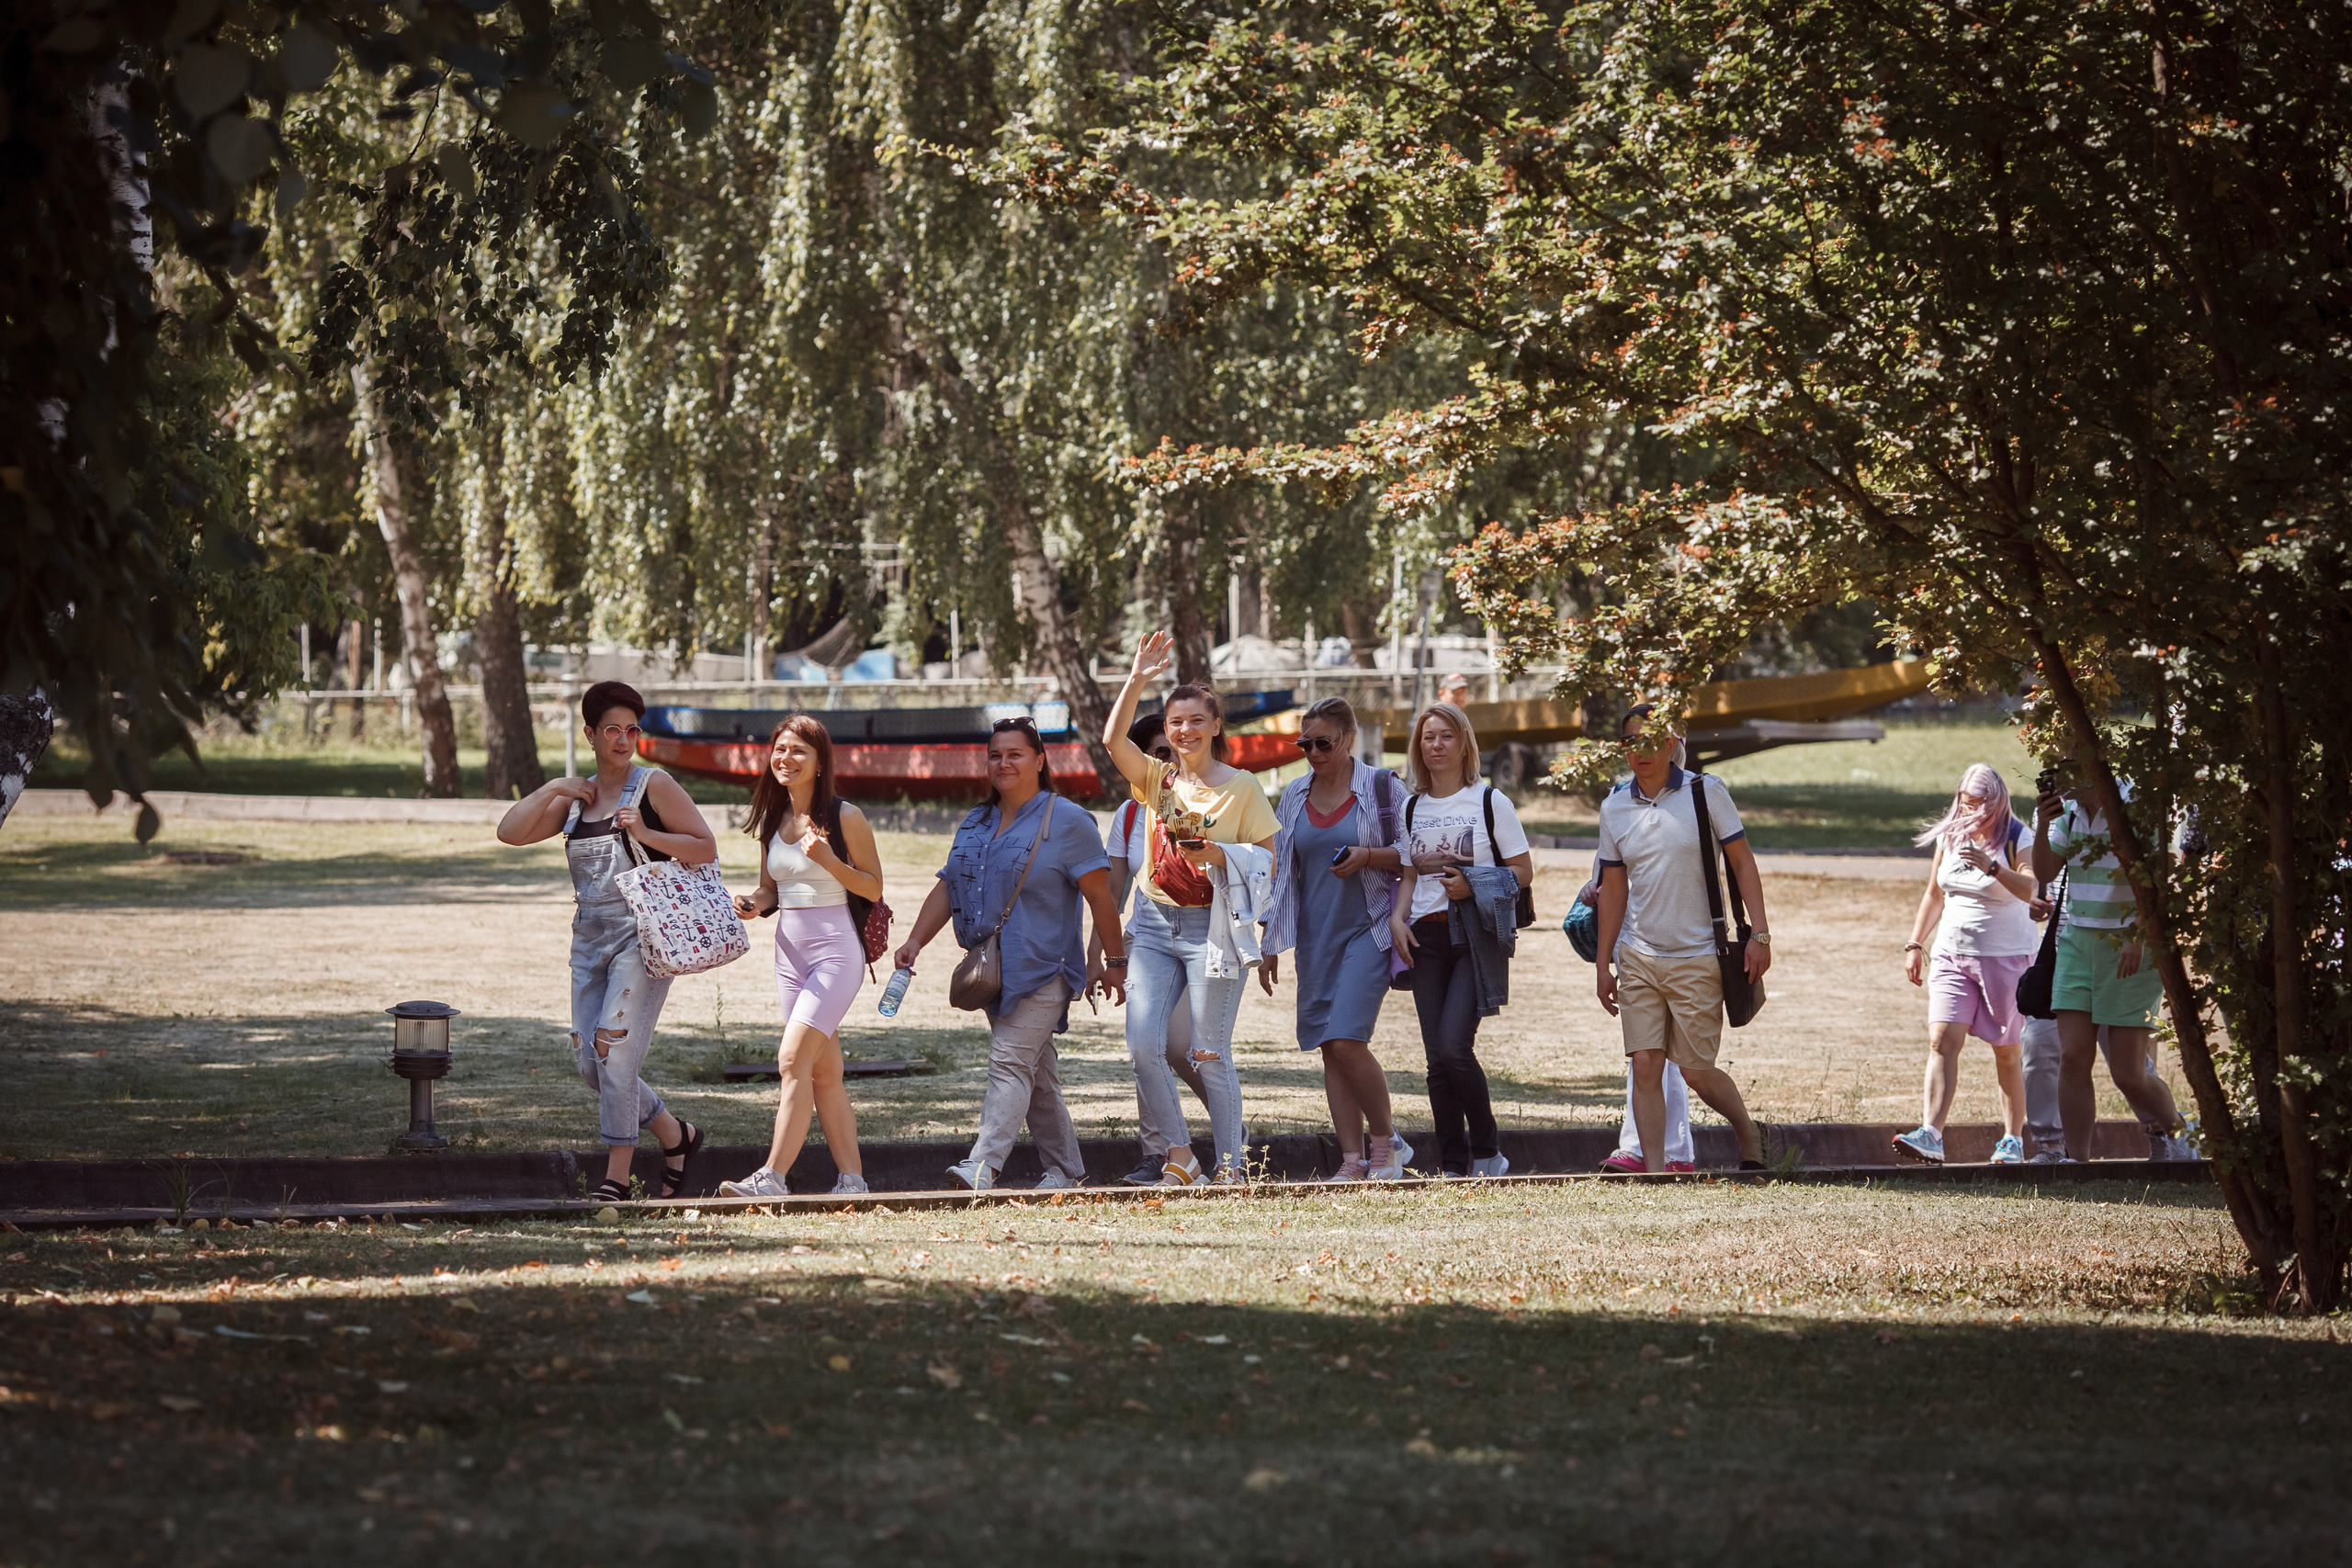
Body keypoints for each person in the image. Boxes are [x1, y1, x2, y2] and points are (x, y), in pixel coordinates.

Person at [495, 681, 714, 1204]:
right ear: (590, 734)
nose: (622, 739)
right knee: (590, 1065)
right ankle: (675, 1136)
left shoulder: (653, 786)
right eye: (611, 730)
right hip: (588, 944)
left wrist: (648, 834)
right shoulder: (578, 801)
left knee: (613, 1057)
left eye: (631, 729)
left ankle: (617, 1176)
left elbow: (704, 847)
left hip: (643, 939)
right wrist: (554, 789)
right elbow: (510, 832)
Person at [896, 717, 1126, 1190]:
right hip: (994, 973)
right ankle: (1067, 1171)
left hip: (1046, 968)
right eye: (995, 755)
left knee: (1008, 1063)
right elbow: (948, 883)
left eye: (1015, 754)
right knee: (1035, 1076)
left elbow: (1102, 899)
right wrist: (916, 940)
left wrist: (1114, 962)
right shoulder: (976, 821)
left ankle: (983, 1166)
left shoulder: (1067, 821)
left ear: (1040, 761)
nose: (1003, 763)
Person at [1103, 632, 1281, 1186]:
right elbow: (1113, 742)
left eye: (1195, 721)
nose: (1184, 731)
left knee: (1206, 1051)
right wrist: (1136, 677)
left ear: (1215, 726)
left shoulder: (1244, 788)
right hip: (1154, 924)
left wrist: (1218, 854)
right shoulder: (1158, 781)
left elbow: (1269, 861)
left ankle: (1232, 1168)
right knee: (1142, 1046)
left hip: (1214, 928)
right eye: (1175, 722)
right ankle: (1181, 1154)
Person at [1593, 705, 1771, 1173]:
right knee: (1646, 1064)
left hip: (1698, 956)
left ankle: (1749, 1134)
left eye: (1651, 741)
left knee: (1695, 1071)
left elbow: (1742, 862)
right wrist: (1602, 964)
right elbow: (1613, 889)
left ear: (1672, 744)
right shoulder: (1614, 807)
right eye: (1631, 742)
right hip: (1638, 955)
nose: (1641, 752)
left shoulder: (1705, 792)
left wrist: (1760, 934)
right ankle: (1655, 1174)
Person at [715, 716, 884, 1201]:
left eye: (798, 751)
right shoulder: (774, 818)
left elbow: (873, 887)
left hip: (836, 954)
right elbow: (772, 889)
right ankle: (853, 1183)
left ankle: (772, 1177)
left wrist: (830, 860)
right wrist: (754, 904)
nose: (785, 759)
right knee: (823, 1072)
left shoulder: (845, 816)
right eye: (780, 749)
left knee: (791, 1060)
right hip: (789, 955)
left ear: (820, 761)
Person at [1263, 696, 1416, 1181]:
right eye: (1304, 743)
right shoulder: (1293, 795)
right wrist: (1270, 940)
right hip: (1316, 936)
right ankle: (1352, 1161)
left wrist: (1369, 855)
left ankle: (1386, 1143)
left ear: (1348, 740)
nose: (1312, 752)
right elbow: (1282, 871)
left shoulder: (1382, 786)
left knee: (1347, 1039)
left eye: (1323, 743)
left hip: (1370, 927)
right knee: (1329, 1047)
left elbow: (1415, 856)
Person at [1391, 701, 1533, 1179]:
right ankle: (1453, 1165)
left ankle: (1489, 1151)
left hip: (1474, 934)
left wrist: (1473, 883)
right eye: (1428, 737)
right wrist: (1397, 919)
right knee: (1436, 1061)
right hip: (1425, 938)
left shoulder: (1490, 801)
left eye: (1446, 736)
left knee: (1454, 1047)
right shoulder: (1412, 806)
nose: (1436, 745)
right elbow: (1410, 876)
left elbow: (1523, 871)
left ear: (1464, 742)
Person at [2031, 766, 2196, 1161]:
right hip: (2076, 943)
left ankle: (2181, 1131)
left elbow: (2159, 875)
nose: (2054, 776)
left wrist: (2138, 935)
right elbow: (2045, 871)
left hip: (2128, 946)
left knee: (2128, 1074)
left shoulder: (2133, 805)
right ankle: (2079, 1162)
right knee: (2073, 1057)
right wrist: (2042, 825)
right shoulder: (2068, 811)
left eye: (2063, 763)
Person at [1089, 714, 1213, 1186]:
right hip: (1147, 941)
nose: (1170, 758)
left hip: (1200, 940)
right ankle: (1160, 1153)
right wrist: (1098, 956)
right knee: (1146, 1045)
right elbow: (1111, 889)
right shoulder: (1130, 814)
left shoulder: (1208, 797)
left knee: (1183, 1047)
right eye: (1158, 753)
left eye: (1174, 749)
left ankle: (1228, 1128)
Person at [1893, 764, 2037, 1165]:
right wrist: (1915, 943)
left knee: (2006, 1051)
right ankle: (1932, 1134)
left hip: (2006, 959)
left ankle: (2012, 1140)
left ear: (1996, 802)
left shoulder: (2017, 836)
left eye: (1977, 803)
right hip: (1952, 955)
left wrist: (1992, 866)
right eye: (1964, 801)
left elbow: (2032, 888)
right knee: (1941, 1040)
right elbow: (1934, 894)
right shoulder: (1952, 835)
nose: (1969, 809)